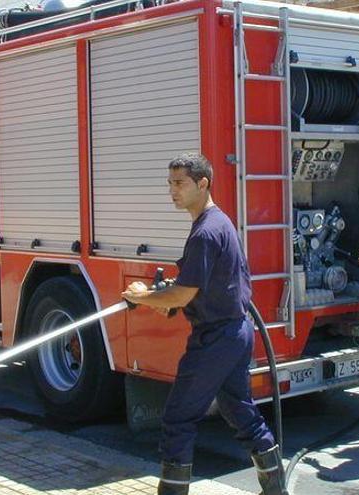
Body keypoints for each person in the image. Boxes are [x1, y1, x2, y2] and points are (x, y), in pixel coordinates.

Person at [122, 153, 285, 495]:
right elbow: (200, 286)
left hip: (216, 339)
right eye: (170, 183)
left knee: (178, 419)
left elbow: (182, 297)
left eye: (180, 183)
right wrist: (162, 295)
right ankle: (276, 489)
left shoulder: (205, 233)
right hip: (235, 332)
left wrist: (142, 298)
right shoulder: (218, 223)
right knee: (238, 409)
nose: (173, 191)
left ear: (203, 183)